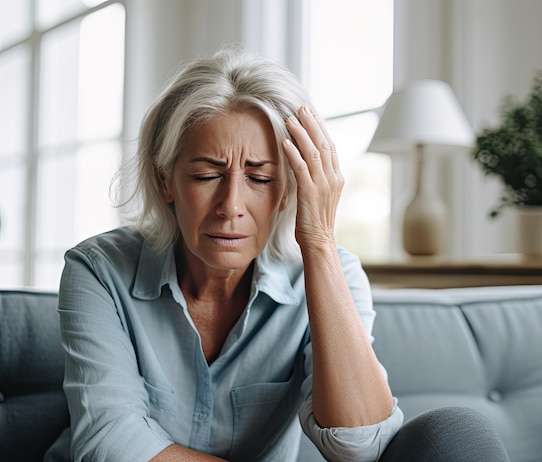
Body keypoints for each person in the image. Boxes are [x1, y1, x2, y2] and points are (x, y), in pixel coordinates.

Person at [45, 47, 510, 462]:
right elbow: (109, 444)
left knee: (459, 434)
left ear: (289, 189)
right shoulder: (98, 270)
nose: (231, 207)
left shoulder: (334, 271)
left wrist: (320, 243)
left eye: (261, 179)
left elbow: (361, 446)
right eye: (207, 176)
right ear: (166, 180)